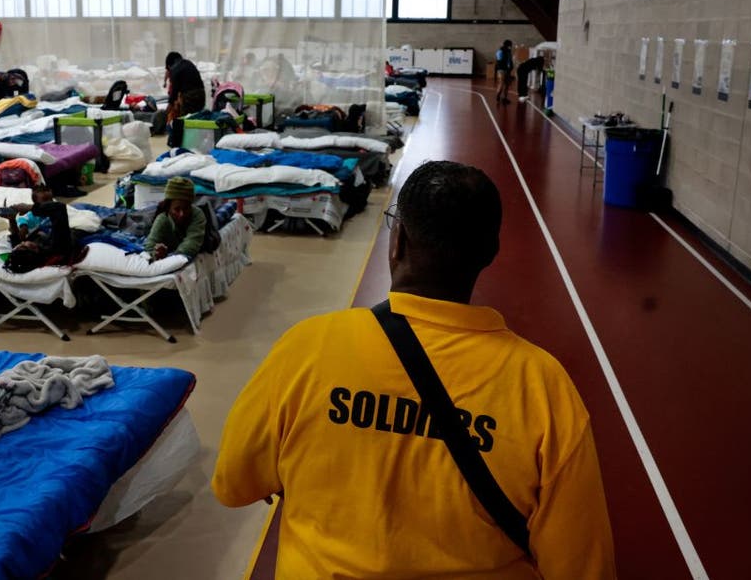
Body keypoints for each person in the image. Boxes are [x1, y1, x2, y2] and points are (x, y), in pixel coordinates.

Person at [212, 161, 616, 579]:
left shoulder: (307, 349)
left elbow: (233, 483)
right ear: (490, 253)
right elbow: (584, 567)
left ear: (398, 240)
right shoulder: (543, 388)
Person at [0, 183, 79, 273]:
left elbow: (16, 238)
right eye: (23, 246)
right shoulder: (57, 246)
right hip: (69, 231)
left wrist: (12, 219)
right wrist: (28, 207)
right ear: (34, 249)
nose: (22, 243)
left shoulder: (26, 251)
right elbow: (59, 207)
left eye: (19, 246)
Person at [145, 177, 206, 261]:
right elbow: (149, 246)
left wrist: (172, 257)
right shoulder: (163, 218)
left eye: (186, 208)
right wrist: (156, 253)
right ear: (168, 207)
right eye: (177, 209)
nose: (182, 214)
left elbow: (192, 244)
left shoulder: (197, 215)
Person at [164, 51, 206, 119]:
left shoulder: (174, 69)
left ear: (169, 65)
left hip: (190, 97)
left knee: (186, 120)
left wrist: (166, 112)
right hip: (201, 94)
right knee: (198, 117)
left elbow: (174, 92)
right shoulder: (188, 63)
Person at [495, 39, 515, 104]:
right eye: (511, 45)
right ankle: (503, 98)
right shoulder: (506, 51)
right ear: (508, 45)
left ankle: (499, 96)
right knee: (505, 84)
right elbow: (507, 61)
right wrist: (509, 68)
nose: (511, 46)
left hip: (501, 70)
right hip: (505, 70)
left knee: (502, 84)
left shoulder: (500, 51)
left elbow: (498, 61)